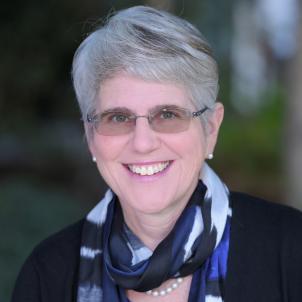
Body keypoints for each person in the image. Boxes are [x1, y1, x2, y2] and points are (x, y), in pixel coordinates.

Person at [11, 5, 302, 302]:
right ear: (90, 136)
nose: (142, 143)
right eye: (118, 118)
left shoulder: (291, 250)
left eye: (167, 114)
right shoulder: (47, 275)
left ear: (210, 129)